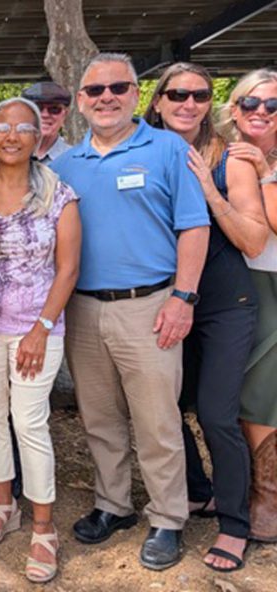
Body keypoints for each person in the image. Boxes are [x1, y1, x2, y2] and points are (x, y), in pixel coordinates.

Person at [51, 53, 210, 571]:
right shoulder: (65, 165)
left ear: (136, 94)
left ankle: (167, 517)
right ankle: (113, 504)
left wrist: (183, 298)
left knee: (156, 420)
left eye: (118, 87)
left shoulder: (168, 149)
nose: (107, 98)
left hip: (151, 306)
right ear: (81, 101)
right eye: (95, 90)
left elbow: (194, 227)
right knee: (99, 417)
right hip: (83, 309)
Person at [146, 62, 268, 572]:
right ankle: (198, 490)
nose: (188, 103)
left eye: (199, 95)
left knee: (217, 414)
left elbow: (254, 240)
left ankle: (235, 524)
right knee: (164, 407)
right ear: (158, 101)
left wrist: (209, 190)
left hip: (223, 306)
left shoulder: (229, 159)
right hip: (166, 302)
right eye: (177, 94)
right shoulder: (143, 150)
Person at [0, 98, 81, 582]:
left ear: (39, 138)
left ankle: (43, 527)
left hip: (37, 328)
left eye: (23, 128)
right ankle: (5, 505)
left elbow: (68, 268)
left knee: (29, 422)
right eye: (3, 127)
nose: (12, 135)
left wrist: (42, 327)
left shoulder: (59, 195)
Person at [217, 68, 277, 544]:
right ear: (234, 109)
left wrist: (265, 172)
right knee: (233, 391)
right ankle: (239, 486)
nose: (261, 112)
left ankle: (266, 494)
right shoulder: (220, 151)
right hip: (234, 283)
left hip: (272, 278)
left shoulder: (260, 164)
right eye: (251, 103)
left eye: (272, 105)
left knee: (262, 389)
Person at [21, 81, 73, 162]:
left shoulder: (77, 161)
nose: (45, 115)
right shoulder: (5, 157)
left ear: (64, 115)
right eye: (37, 108)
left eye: (54, 109)